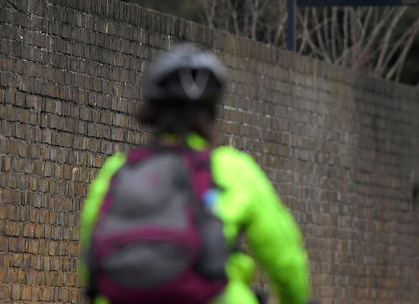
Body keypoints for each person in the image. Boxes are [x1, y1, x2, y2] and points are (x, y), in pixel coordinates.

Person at [78, 43, 311, 304]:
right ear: (213, 112)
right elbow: (284, 258)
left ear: (152, 110)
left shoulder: (119, 169)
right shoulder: (232, 168)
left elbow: (91, 256)